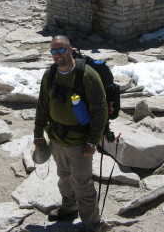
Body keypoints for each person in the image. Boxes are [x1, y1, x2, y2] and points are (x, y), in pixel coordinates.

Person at [34, 35, 110, 232]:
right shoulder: (50, 74)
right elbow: (43, 105)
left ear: (70, 49)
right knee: (64, 176)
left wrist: (92, 142)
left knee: (83, 184)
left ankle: (92, 225)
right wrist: (38, 134)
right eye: (54, 51)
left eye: (61, 50)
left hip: (80, 142)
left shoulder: (88, 75)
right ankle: (69, 207)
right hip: (57, 138)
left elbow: (100, 111)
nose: (58, 55)